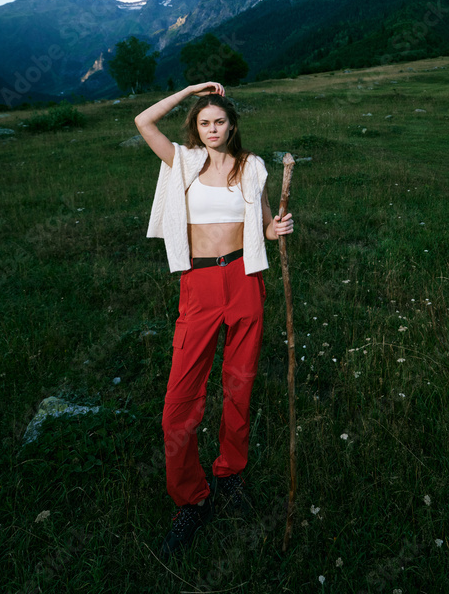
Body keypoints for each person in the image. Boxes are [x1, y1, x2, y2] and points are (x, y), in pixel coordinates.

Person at [134, 80, 293, 561]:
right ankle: (191, 497)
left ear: (233, 125)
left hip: (245, 281)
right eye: (204, 123)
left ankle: (229, 473)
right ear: (195, 127)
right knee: (180, 401)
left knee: (239, 385)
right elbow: (143, 121)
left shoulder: (253, 167)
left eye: (219, 121)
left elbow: (263, 222)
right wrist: (190, 91)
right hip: (199, 286)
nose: (212, 130)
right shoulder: (181, 161)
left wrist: (276, 227)